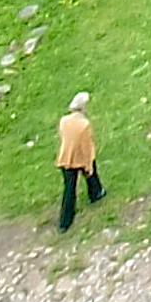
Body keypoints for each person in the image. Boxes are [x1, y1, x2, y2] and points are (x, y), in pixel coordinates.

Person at [56, 92, 104, 229]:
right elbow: (87, 148)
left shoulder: (64, 121)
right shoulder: (84, 125)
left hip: (66, 157)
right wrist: (88, 166)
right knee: (91, 173)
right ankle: (95, 193)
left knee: (69, 188)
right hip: (79, 157)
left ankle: (65, 222)